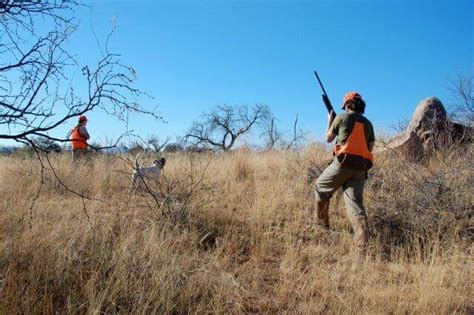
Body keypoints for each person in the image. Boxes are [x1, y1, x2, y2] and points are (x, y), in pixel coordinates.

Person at [314, 92, 375, 255]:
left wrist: (330, 120)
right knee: (354, 203)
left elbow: (328, 138)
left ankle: (322, 227)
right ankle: (361, 248)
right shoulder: (368, 123)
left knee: (320, 188)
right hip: (361, 168)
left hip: (343, 163)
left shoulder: (341, 118)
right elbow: (370, 148)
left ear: (347, 105)